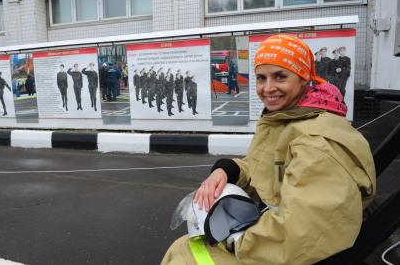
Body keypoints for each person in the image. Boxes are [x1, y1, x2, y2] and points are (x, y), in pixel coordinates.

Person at [161, 34, 376, 265]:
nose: (268, 88)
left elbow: (299, 232)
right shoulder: (291, 117)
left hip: (288, 250)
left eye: (280, 77)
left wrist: (232, 239)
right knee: (184, 248)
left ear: (304, 78)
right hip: (275, 234)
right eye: (261, 78)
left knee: (185, 254)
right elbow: (271, 167)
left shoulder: (315, 141)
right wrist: (226, 170)